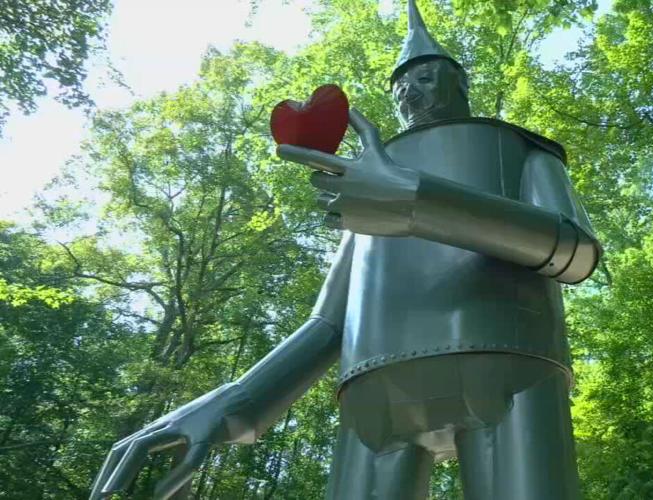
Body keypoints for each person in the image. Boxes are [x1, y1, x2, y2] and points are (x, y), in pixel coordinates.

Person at [90, 1, 600, 499]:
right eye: (401, 87)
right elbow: (331, 321)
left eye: (424, 78)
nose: (411, 95)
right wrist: (238, 400)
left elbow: (576, 252)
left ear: (458, 81)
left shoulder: (515, 149)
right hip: (374, 386)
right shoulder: (370, 186)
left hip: (509, 363)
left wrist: (418, 201)